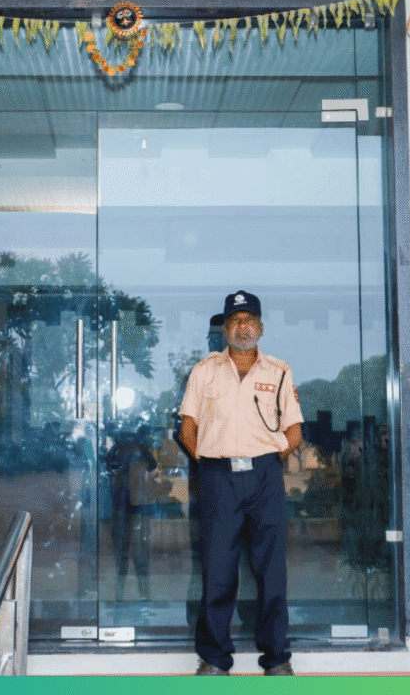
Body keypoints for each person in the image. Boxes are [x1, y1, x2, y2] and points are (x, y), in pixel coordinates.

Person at [178, 290, 303, 676]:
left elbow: (294, 430)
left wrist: (268, 454)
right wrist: (210, 461)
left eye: (249, 320)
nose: (242, 327)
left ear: (260, 328)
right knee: (218, 569)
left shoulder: (279, 371)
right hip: (219, 478)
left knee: (271, 569)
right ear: (224, 329)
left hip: (265, 476)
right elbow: (187, 428)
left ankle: (276, 658)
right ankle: (215, 659)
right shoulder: (204, 371)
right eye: (235, 321)